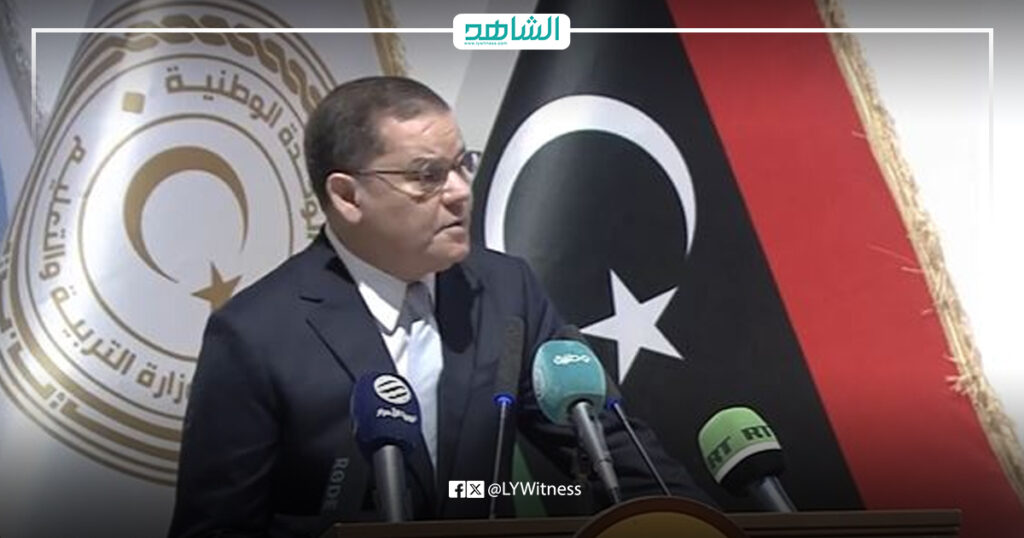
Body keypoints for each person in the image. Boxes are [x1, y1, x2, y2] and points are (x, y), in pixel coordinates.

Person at [168, 76, 712, 537]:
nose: (459, 191)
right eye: (427, 175)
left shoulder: (506, 289)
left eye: (462, 165)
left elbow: (609, 444)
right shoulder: (255, 335)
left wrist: (694, 523)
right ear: (347, 196)